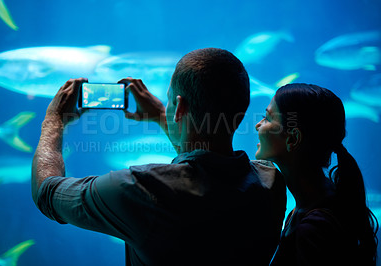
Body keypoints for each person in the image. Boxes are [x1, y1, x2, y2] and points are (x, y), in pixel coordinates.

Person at [31, 48, 286, 265]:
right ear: (241, 113)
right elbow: (205, 166)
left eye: (170, 101)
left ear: (180, 107)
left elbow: (46, 193)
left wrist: (53, 122)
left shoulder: (138, 189)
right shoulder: (271, 183)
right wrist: (162, 115)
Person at [255, 83, 379, 265]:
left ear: (293, 138)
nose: (258, 125)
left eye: (267, 118)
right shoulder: (315, 201)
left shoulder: (316, 227)